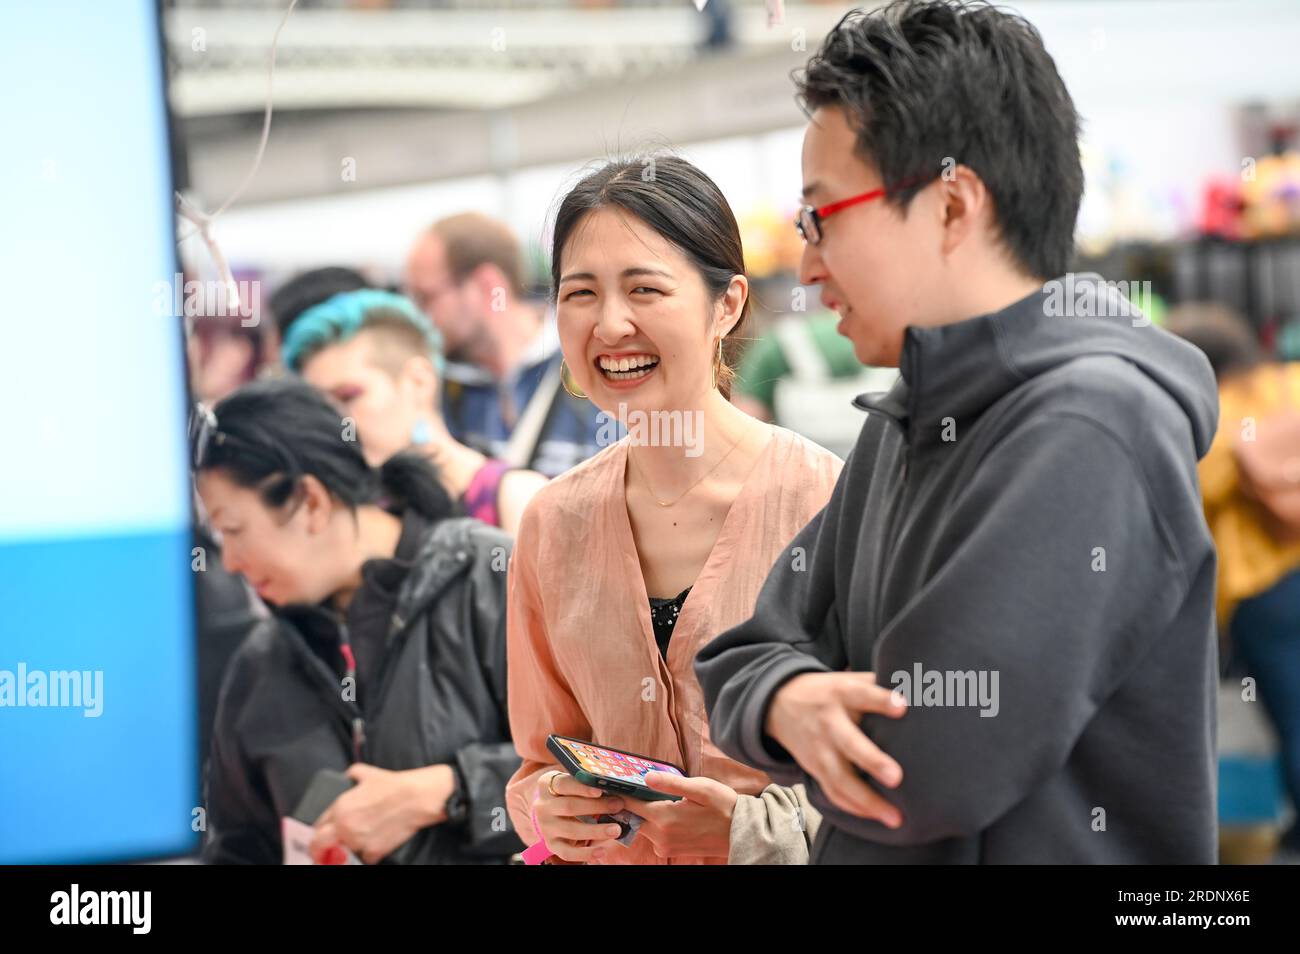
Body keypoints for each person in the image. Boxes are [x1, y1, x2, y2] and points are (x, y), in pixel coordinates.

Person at [696, 0, 1221, 864]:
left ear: (950, 206)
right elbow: (744, 652)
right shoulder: (904, 417)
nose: (807, 262)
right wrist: (787, 698)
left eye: (823, 217)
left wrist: (786, 699)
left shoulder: (1091, 428)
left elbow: (920, 764)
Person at [504, 155, 861, 866]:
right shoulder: (552, 523)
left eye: (645, 289)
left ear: (726, 305)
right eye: (580, 293)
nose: (610, 325)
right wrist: (549, 806)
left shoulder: (829, 502)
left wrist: (752, 833)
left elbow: (897, 767)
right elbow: (536, 761)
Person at [194, 378, 521, 864]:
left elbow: (606, 767)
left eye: (234, 531)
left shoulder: (488, 578)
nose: (232, 562)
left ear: (310, 502)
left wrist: (447, 790)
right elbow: (238, 846)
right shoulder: (263, 659)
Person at [1168, 302, 1300, 859]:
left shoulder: (1210, 417)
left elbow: (1185, 497)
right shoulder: (1292, 384)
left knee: (1292, 713)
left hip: (1264, 595)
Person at [282, 288, 548, 535]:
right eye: (319, 406)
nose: (333, 421)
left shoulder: (515, 499)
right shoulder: (345, 516)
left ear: (418, 382)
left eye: (348, 397)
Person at [405, 212, 605, 477]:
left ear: (487, 284)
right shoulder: (438, 390)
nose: (418, 317)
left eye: (426, 297)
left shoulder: (596, 362)